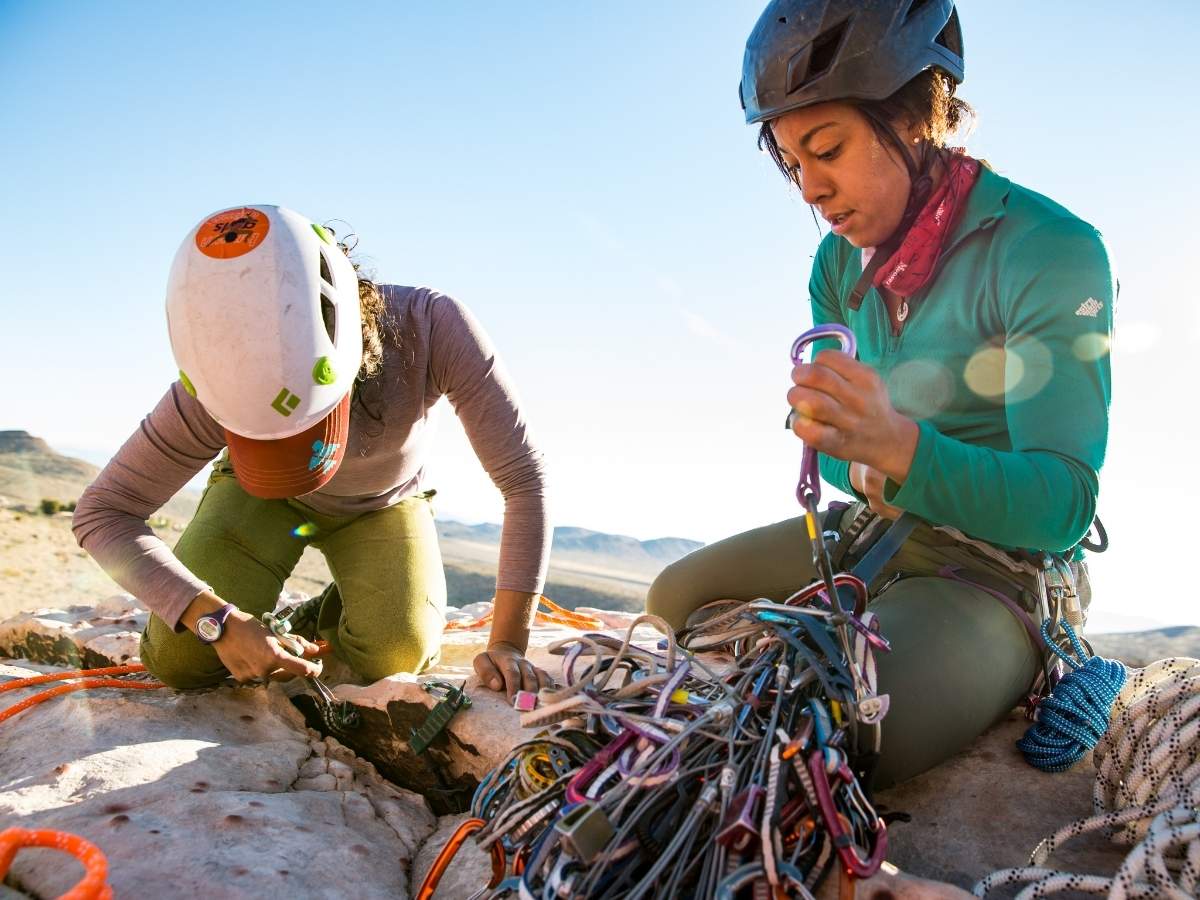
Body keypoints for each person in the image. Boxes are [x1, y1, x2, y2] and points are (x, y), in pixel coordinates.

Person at [647, 0, 1114, 787]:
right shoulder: (837, 268)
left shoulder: (1050, 249)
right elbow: (835, 464)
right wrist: (855, 453)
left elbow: (1061, 503)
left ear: (914, 115)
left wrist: (896, 447)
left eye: (826, 149)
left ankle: (1028, 660)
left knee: (850, 730)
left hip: (998, 569)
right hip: (872, 529)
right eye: (793, 163)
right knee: (673, 598)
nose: (809, 190)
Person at [74, 205, 553, 697]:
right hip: (260, 502)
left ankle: (321, 614)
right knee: (183, 661)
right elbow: (103, 512)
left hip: (381, 505)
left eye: (303, 425)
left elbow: (524, 481)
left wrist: (510, 644)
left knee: (394, 656)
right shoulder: (210, 387)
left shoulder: (432, 326)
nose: (288, 446)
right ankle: (261, 616)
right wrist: (211, 617)